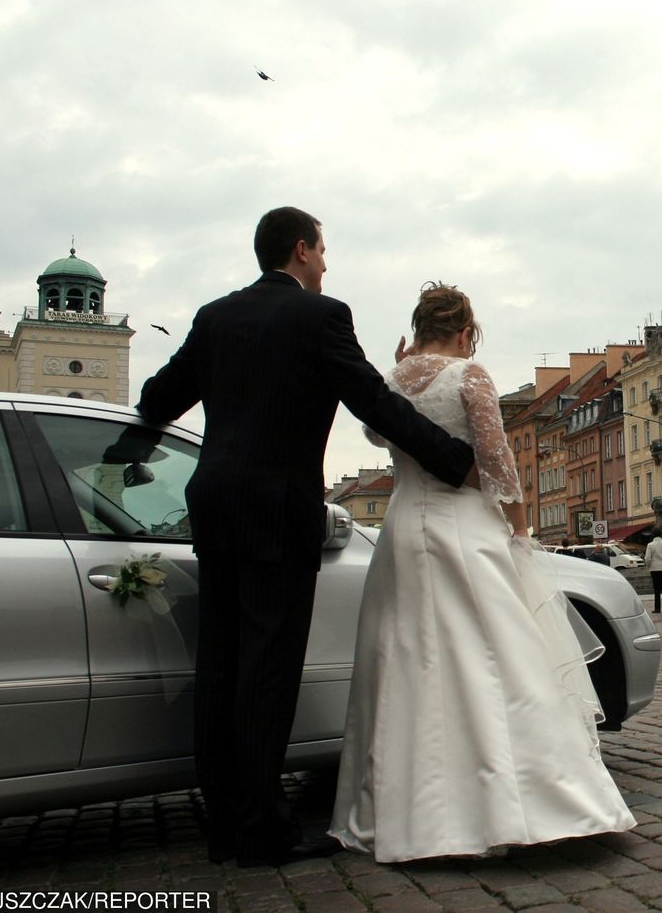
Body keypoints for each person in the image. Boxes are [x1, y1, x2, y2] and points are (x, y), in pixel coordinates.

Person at [136, 207, 478, 868]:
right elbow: (374, 405)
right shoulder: (320, 317)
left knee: (221, 667)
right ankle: (263, 830)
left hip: (213, 503)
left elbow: (157, 400)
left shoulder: (214, 317)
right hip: (276, 512)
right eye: (322, 251)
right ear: (300, 250)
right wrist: (455, 461)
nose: (326, 263)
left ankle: (226, 826)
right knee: (267, 670)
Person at [329, 283, 635, 863]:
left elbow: (376, 434)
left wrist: (399, 371)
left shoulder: (392, 381)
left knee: (405, 659)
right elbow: (499, 464)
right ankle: (517, 803)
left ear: (418, 328)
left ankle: (405, 810)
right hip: (463, 526)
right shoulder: (469, 375)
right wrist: (520, 531)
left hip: (401, 531)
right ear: (465, 331)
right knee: (494, 657)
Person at [644, 529, 662, 614]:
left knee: (657, 589)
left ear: (653, 535)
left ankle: (657, 608)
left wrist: (649, 566)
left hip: (654, 569)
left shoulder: (650, 545)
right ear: (661, 535)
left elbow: (647, 558)